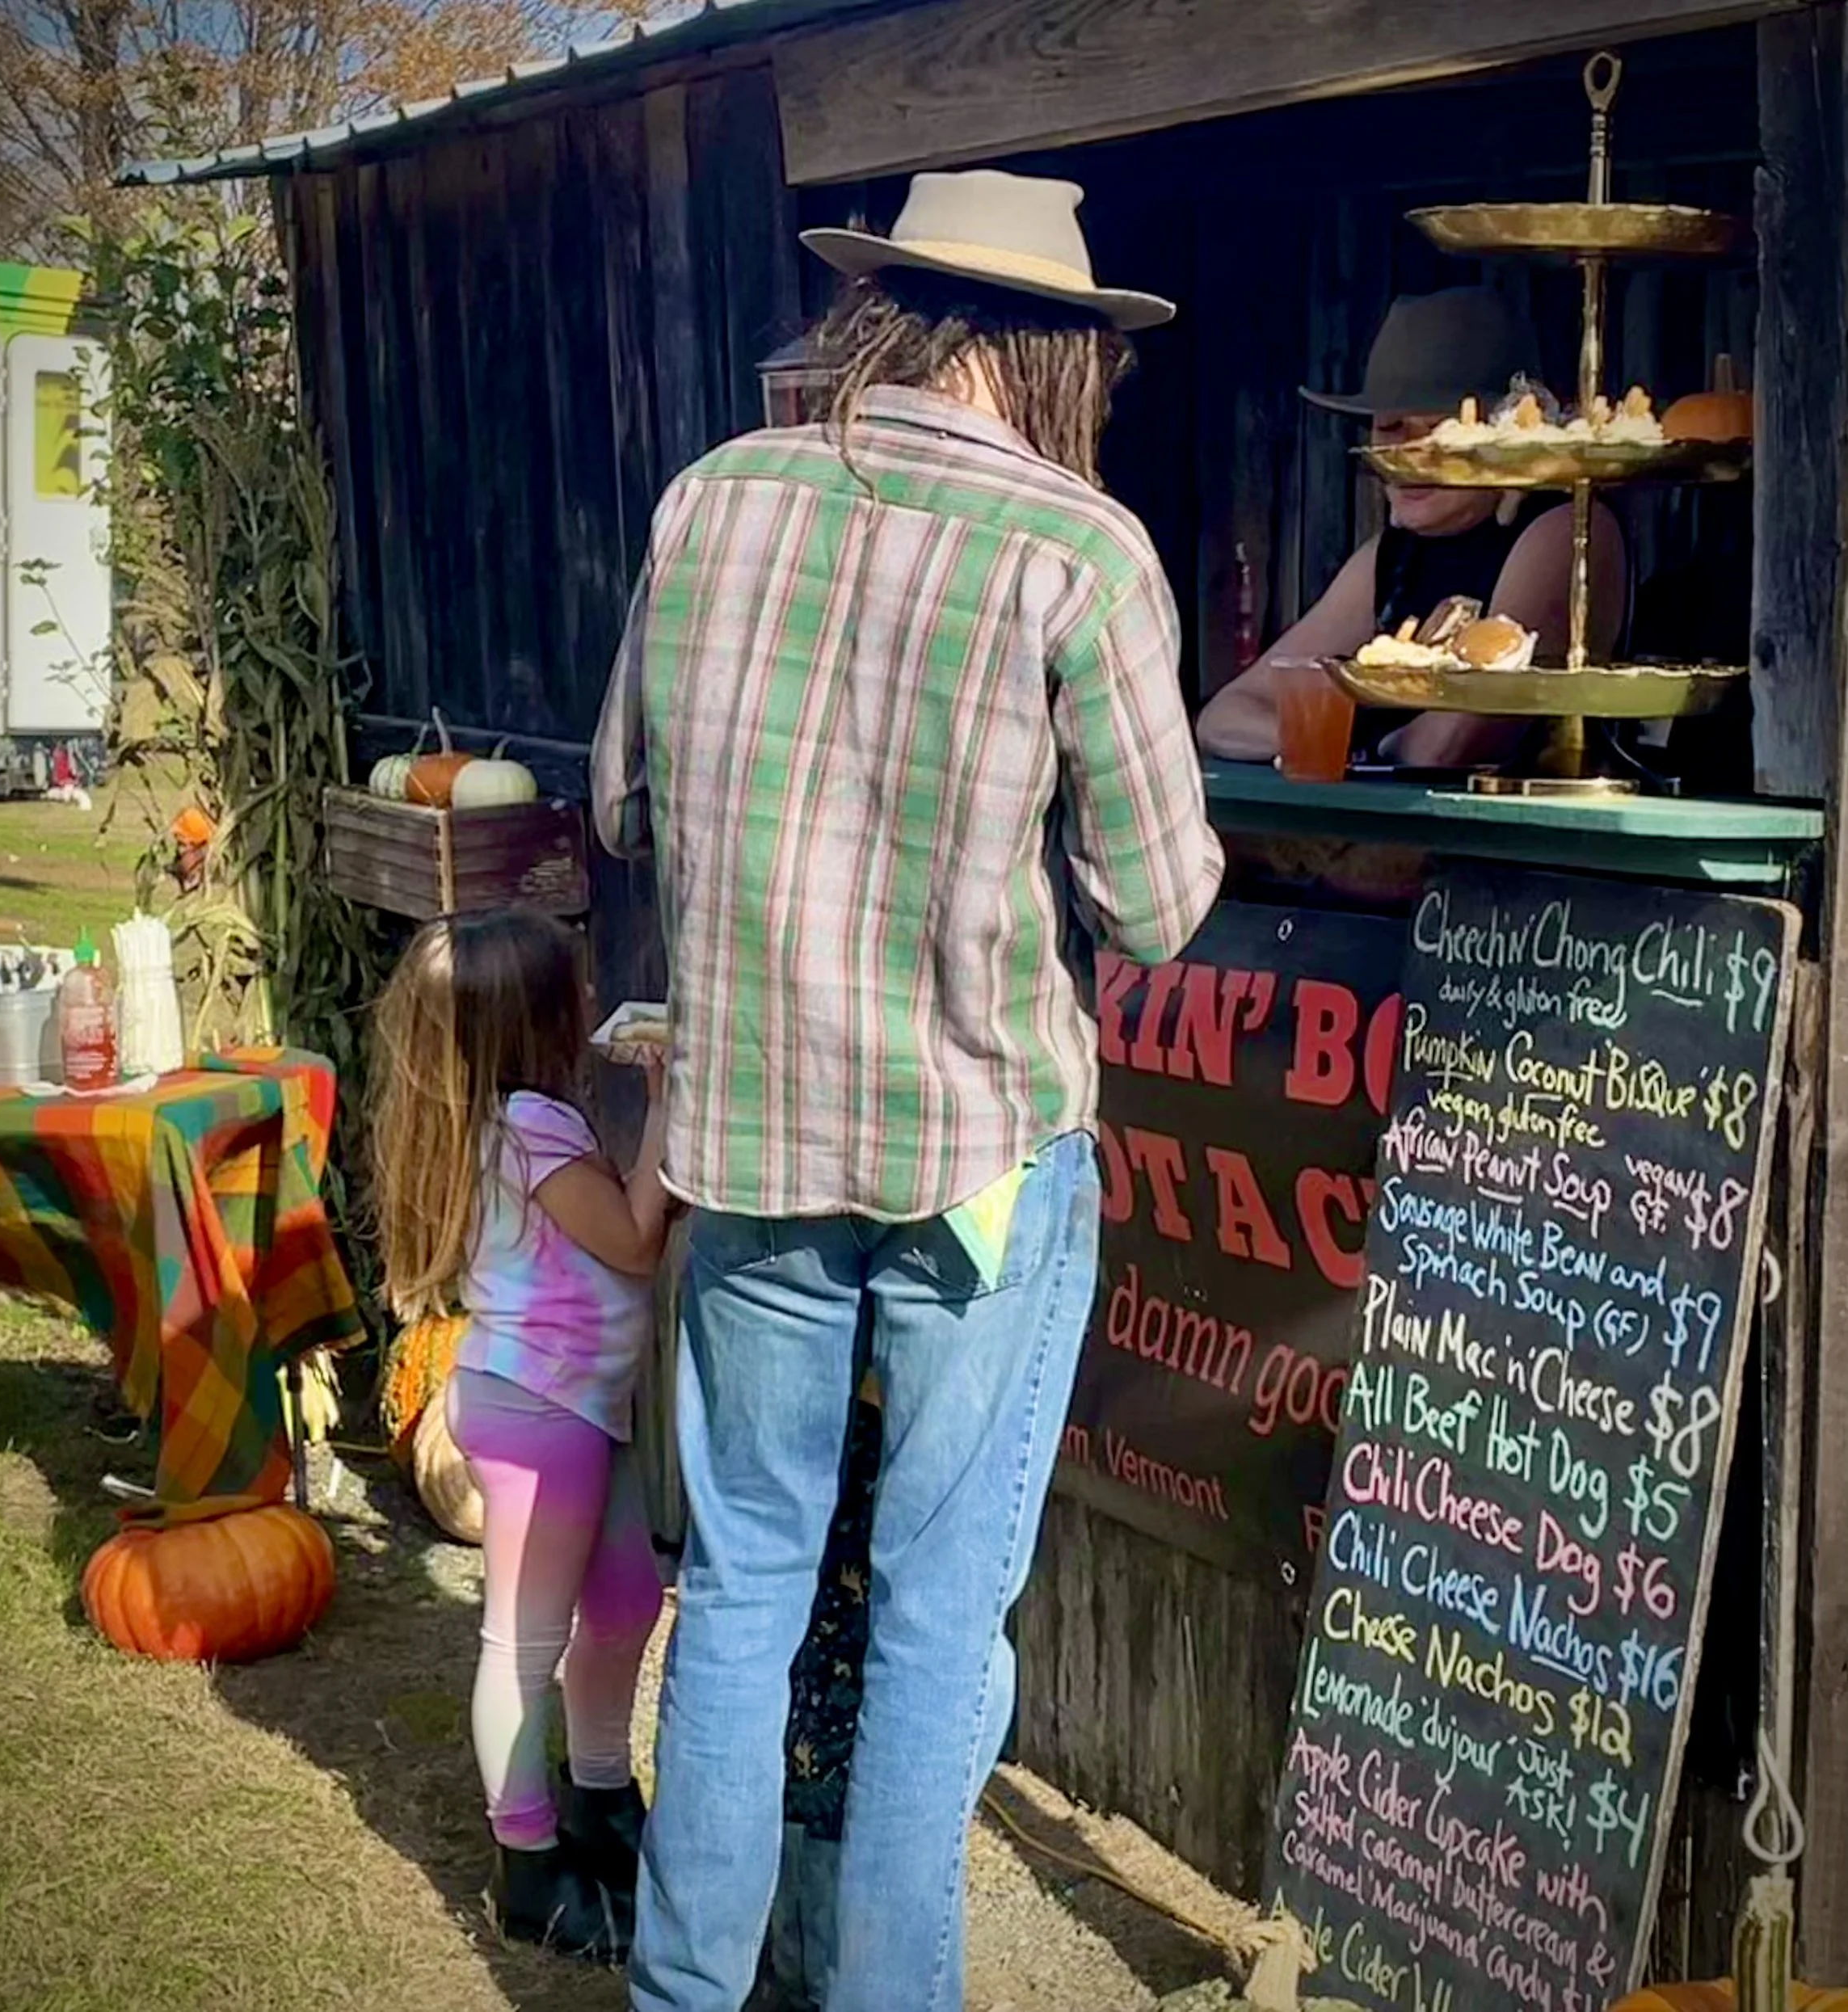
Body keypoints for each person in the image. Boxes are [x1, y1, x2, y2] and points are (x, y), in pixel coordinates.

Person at [592, 168, 1223, 2012]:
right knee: (942, 1630)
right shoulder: (1079, 551)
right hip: (975, 1168)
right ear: (1056, 352)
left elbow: (624, 801)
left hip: (750, 1153)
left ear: (884, 314)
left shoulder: (712, 499)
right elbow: (1162, 904)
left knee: (740, 1594)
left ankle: (683, 1995)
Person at [367, 907, 673, 1961]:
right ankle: (529, 1864)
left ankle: (599, 1790)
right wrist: (674, 1096)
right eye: (574, 989)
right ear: (536, 1021)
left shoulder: (521, 1119)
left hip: (585, 1407)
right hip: (543, 1417)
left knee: (630, 1599)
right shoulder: (532, 1129)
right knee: (524, 1642)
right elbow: (634, 1239)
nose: (592, 998)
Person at [1196, 286, 1627, 769]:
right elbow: (1225, 716)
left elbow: (1452, 743)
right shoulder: (1393, 554)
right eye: (1391, 428)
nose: (1409, 455)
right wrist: (1347, 742)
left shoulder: (1563, 529)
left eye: (1438, 430)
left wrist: (1331, 736)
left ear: (1502, 431)